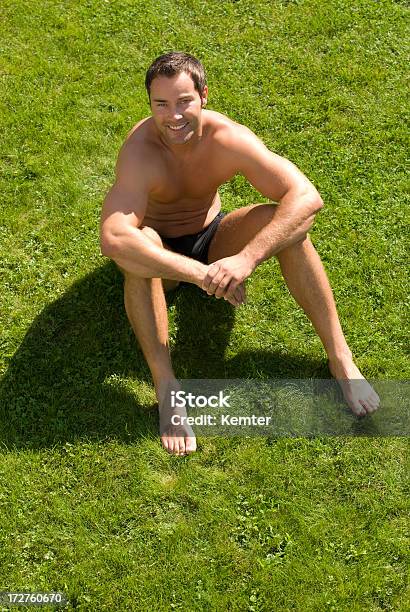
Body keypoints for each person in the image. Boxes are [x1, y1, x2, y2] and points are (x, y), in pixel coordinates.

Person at [100, 51, 380, 456]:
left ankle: (340, 357)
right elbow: (114, 238)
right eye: (161, 104)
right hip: (160, 252)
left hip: (211, 235)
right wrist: (201, 275)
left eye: (183, 102)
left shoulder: (228, 138)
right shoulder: (140, 151)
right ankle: (168, 390)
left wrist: (245, 258)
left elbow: (305, 197)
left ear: (204, 96)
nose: (173, 116)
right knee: (136, 247)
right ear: (150, 105)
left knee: (287, 226)